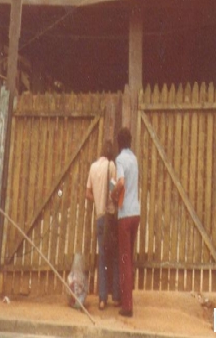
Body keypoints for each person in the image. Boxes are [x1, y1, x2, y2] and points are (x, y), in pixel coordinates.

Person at [85, 141, 120, 309]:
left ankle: (102, 298)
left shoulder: (92, 168)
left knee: (102, 256)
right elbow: (114, 191)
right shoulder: (111, 166)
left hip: (99, 216)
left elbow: (87, 193)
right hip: (110, 217)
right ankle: (115, 296)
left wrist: (98, 201)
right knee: (114, 254)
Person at [113, 127, 140, 318]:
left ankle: (127, 305)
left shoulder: (120, 159)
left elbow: (121, 182)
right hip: (136, 212)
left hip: (124, 215)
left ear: (119, 142)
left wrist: (113, 193)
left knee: (124, 260)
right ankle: (126, 298)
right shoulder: (134, 158)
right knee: (128, 258)